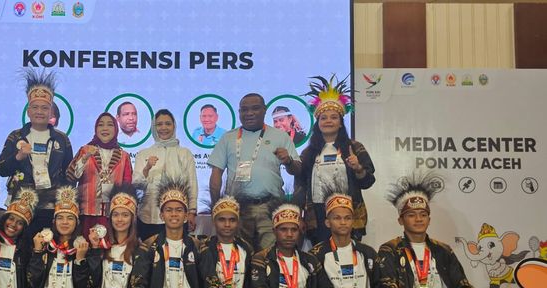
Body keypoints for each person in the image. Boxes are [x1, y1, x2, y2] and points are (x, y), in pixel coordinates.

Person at [208, 93, 300, 251]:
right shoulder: (227, 138)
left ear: (264, 110)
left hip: (270, 207)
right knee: (240, 257)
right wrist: (217, 208)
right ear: (239, 113)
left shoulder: (280, 136)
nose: (249, 113)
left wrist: (288, 161)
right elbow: (216, 175)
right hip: (237, 209)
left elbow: (297, 170)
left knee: (269, 257)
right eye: (244, 110)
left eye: (255, 108)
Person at [298, 75, 375, 245]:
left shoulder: (354, 147)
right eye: (323, 118)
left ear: (341, 122)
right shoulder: (308, 152)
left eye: (334, 117)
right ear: (317, 123)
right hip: (317, 214)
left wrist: (358, 169)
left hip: (346, 212)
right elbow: (301, 185)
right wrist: (299, 215)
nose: (328, 121)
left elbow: (368, 181)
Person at [0, 68, 73, 233]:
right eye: (35, 107)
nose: (39, 112)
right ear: (28, 111)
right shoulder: (15, 136)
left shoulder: (62, 139)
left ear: (51, 112)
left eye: (45, 108)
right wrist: (18, 156)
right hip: (20, 204)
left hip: (51, 205)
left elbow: (69, 176)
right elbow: (1, 169)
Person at [132, 109, 198, 239]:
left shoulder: (185, 153)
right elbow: (136, 184)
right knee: (149, 255)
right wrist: (147, 168)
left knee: (175, 254)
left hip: (178, 216)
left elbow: (192, 184)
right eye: (159, 124)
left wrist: (192, 212)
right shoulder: (143, 153)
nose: (164, 128)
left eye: (168, 124)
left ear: (174, 126)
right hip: (149, 216)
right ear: (153, 127)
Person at [66, 113, 133, 239]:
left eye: (110, 125)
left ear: (116, 129)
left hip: (112, 214)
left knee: (109, 249)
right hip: (86, 210)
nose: (105, 128)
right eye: (101, 125)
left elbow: (127, 185)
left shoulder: (124, 156)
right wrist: (85, 158)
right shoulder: (85, 150)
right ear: (96, 129)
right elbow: (71, 176)